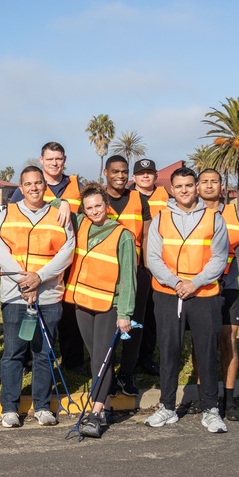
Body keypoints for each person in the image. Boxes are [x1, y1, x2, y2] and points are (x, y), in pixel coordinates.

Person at [144, 167, 229, 434]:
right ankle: (167, 406)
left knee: (206, 353)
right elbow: (153, 258)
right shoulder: (160, 219)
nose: (184, 191)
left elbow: (219, 258)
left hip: (204, 295)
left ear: (196, 187)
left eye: (189, 186)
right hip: (169, 294)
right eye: (179, 186)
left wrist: (195, 282)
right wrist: (176, 283)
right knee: (169, 351)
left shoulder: (214, 218)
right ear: (171, 189)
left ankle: (210, 409)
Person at [0, 165, 75, 428]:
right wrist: (23, 279)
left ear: (44, 185)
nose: (34, 188)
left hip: (48, 294)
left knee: (44, 352)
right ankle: (9, 408)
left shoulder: (59, 215)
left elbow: (67, 250)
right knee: (14, 352)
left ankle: (42, 406)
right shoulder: (6, 213)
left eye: (38, 183)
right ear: (21, 187)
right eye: (28, 184)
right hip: (15, 295)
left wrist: (39, 277)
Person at [65, 184, 137, 438]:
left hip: (109, 305)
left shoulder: (123, 235)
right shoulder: (81, 222)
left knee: (102, 360)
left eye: (98, 205)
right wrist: (64, 203)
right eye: (89, 207)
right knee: (96, 357)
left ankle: (94, 415)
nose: (94, 211)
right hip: (83, 302)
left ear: (106, 205)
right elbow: (52, 205)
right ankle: (105, 406)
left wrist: (125, 313)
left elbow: (129, 277)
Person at [10, 142, 82, 375]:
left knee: (69, 313)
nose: (54, 163)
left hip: (68, 259)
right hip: (34, 264)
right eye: (49, 159)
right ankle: (31, 359)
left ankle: (72, 361)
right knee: (32, 312)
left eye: (58, 158)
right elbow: (14, 219)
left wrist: (67, 203)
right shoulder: (28, 186)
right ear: (41, 160)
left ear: (64, 160)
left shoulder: (76, 186)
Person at [198, 168, 239, 421]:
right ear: (197, 186)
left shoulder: (236, 216)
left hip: (227, 287)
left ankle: (229, 401)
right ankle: (203, 398)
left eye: (214, 181)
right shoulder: (191, 215)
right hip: (199, 289)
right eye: (204, 181)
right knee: (201, 343)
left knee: (228, 341)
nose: (209, 186)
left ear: (221, 186)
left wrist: (224, 281)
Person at [101, 155, 154, 398]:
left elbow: (147, 233)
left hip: (135, 273)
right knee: (108, 325)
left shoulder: (139, 199)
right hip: (106, 272)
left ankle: (127, 372)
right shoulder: (97, 199)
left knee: (135, 323)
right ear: (106, 173)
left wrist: (145, 265)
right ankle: (108, 374)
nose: (120, 176)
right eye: (115, 171)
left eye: (124, 171)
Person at [132, 158, 170, 374]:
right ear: (134, 177)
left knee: (151, 313)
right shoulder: (128, 197)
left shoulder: (167, 198)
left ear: (155, 176)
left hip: (159, 262)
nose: (145, 176)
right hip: (132, 263)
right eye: (141, 173)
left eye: (149, 173)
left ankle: (146, 357)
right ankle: (128, 356)